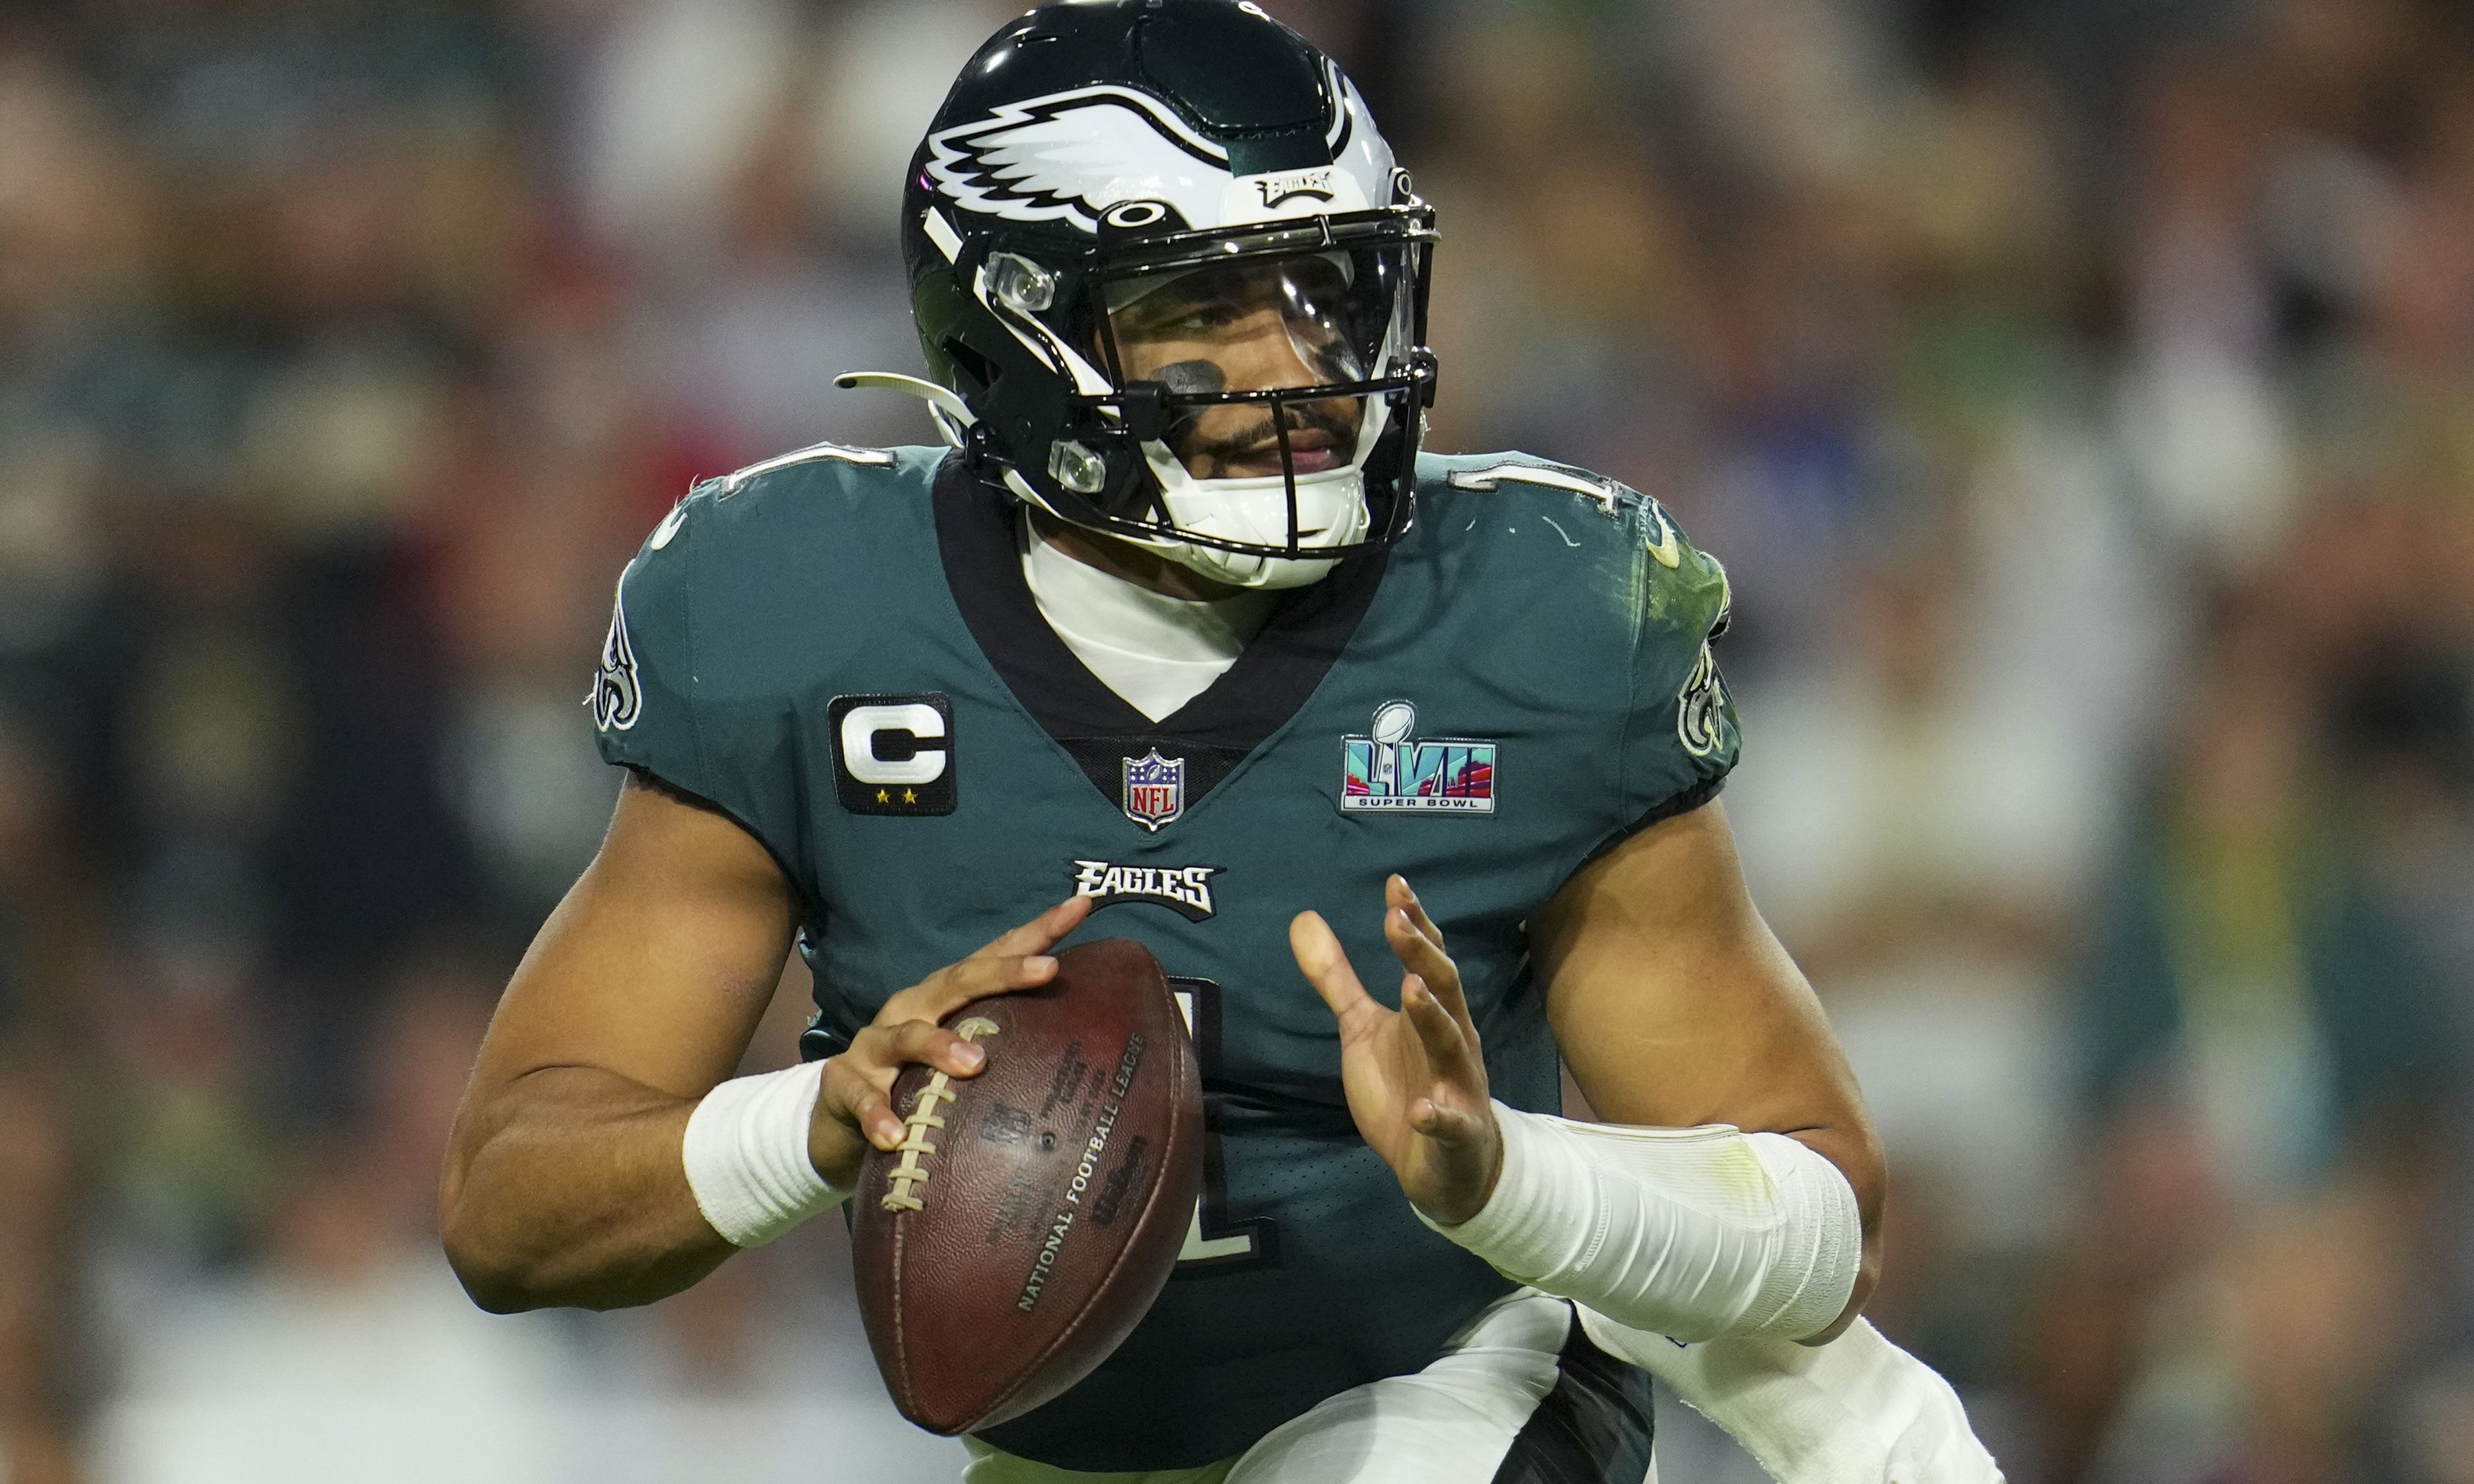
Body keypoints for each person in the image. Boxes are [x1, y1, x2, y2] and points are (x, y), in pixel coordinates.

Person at [440, 4, 1996, 1479]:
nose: (1297, 368)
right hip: (1056, 1448)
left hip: (1446, 1383)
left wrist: (1500, 1170)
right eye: (1201, 309)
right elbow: (512, 1203)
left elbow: (1822, 1213)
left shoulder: (1531, 615)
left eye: (1326, 288)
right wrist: (820, 1117)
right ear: (1015, 334)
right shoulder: (802, 613)